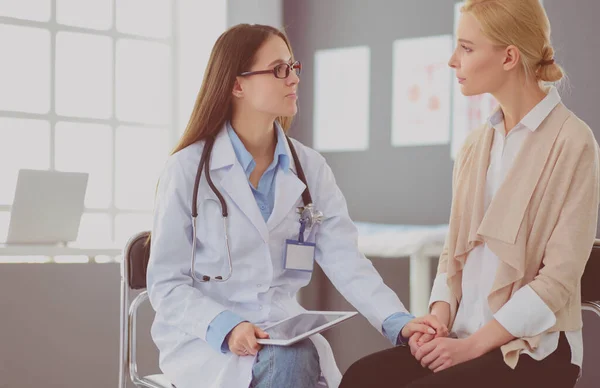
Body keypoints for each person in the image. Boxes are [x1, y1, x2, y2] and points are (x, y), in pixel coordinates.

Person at [146, 23, 446, 388]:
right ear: (237, 84)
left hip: (282, 332)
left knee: (298, 361)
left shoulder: (310, 168)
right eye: (278, 70)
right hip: (206, 341)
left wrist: (398, 320)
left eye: (293, 67)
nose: (293, 79)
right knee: (295, 362)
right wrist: (226, 326)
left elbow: (346, 260)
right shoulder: (188, 170)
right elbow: (165, 284)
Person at [340, 1, 600, 387]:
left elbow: (557, 281)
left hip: (532, 350)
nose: (452, 60)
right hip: (462, 337)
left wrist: (472, 346)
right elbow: (453, 255)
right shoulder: (476, 145)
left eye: (466, 47)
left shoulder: (573, 142)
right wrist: (440, 319)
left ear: (509, 56)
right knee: (362, 377)